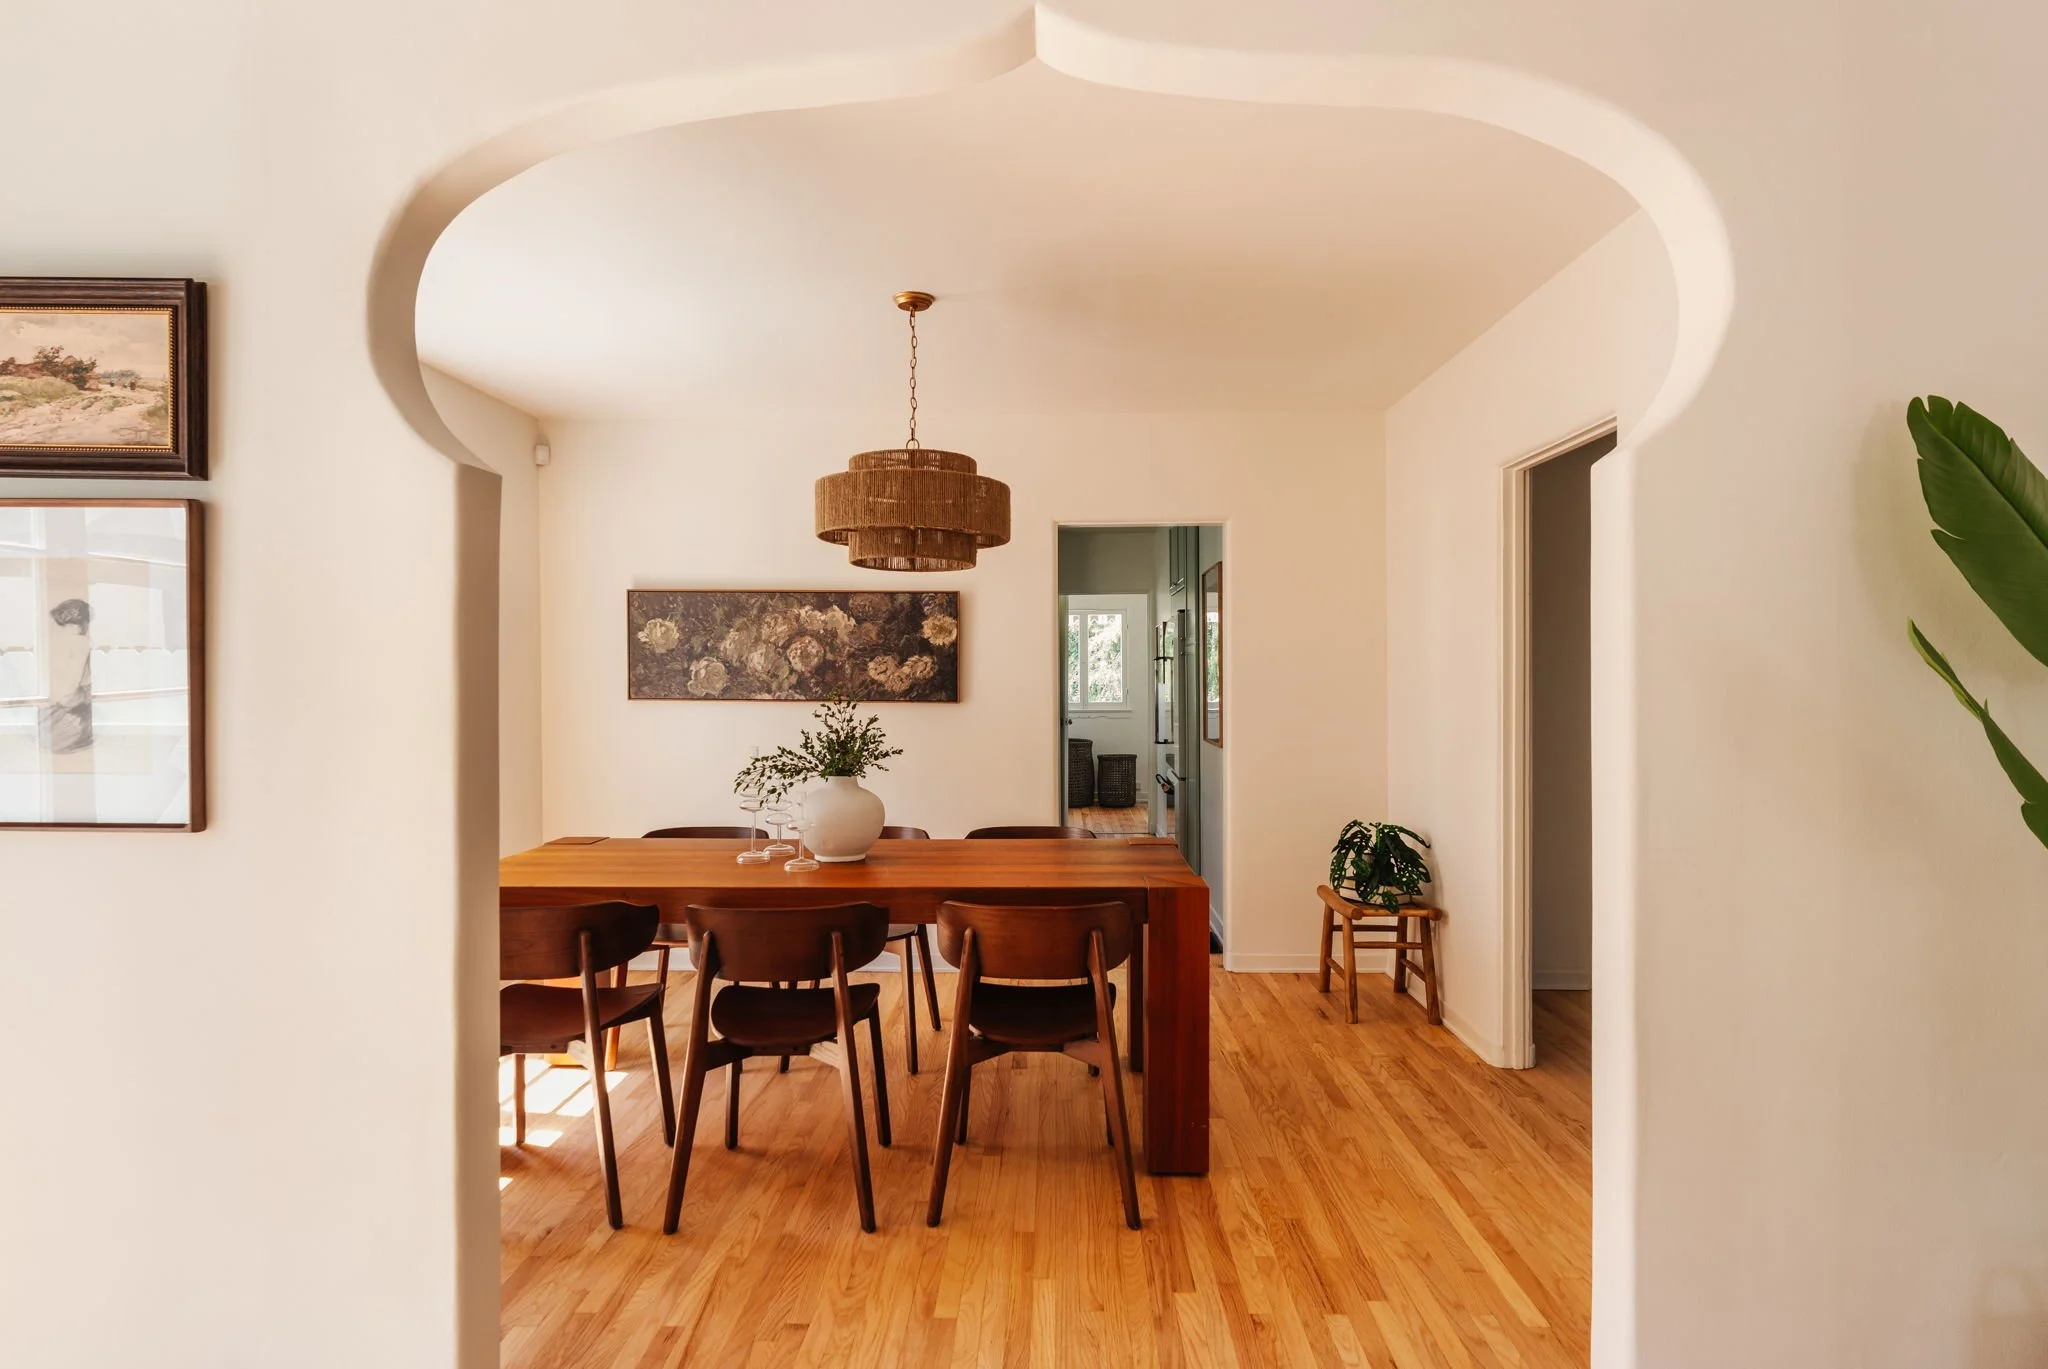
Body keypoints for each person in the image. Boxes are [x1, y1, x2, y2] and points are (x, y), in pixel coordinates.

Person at [37, 597, 93, 755]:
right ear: (84, 623)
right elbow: (68, 691)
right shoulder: (82, 643)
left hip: (48, 713)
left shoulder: (52, 642)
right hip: (66, 717)